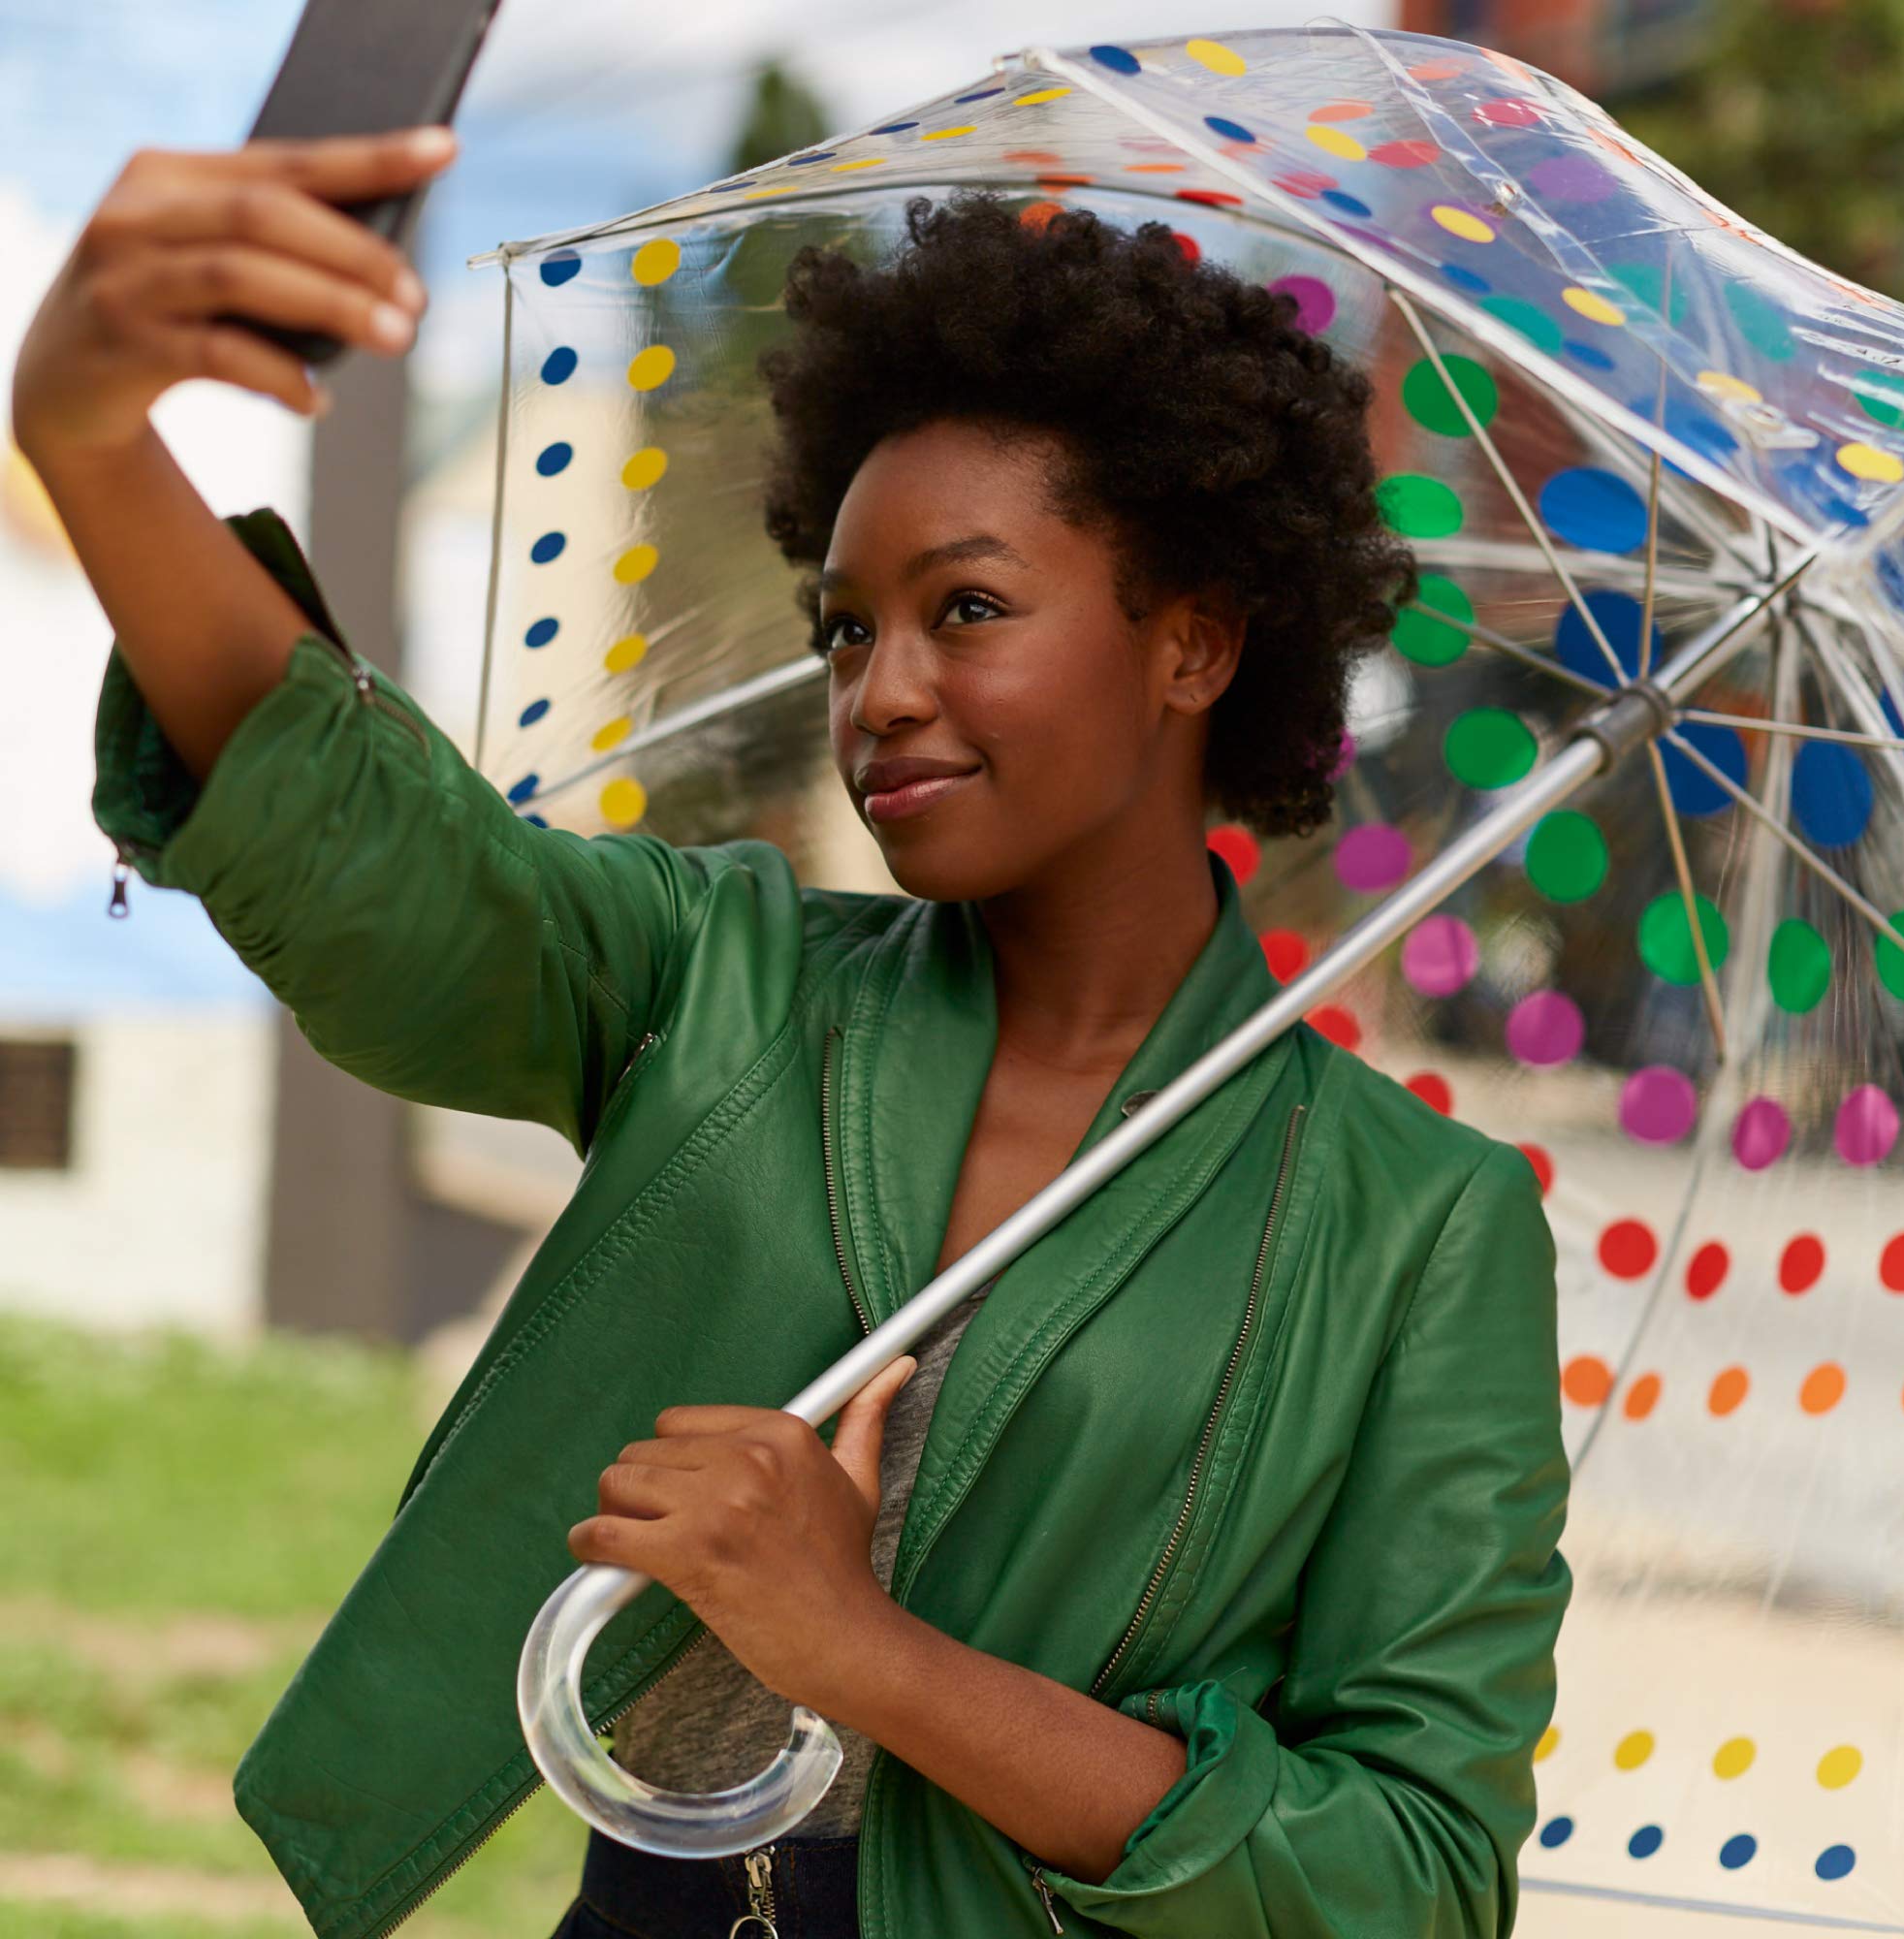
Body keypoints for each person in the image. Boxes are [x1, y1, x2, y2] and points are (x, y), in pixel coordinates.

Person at [15, 129, 1571, 1939]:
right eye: (847, 629)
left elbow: (1412, 1880)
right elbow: (379, 857)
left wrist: (863, 1650)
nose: (882, 692)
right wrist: (94, 445)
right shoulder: (724, 983)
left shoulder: (1418, 1228)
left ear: (1197, 645)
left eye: (968, 610)